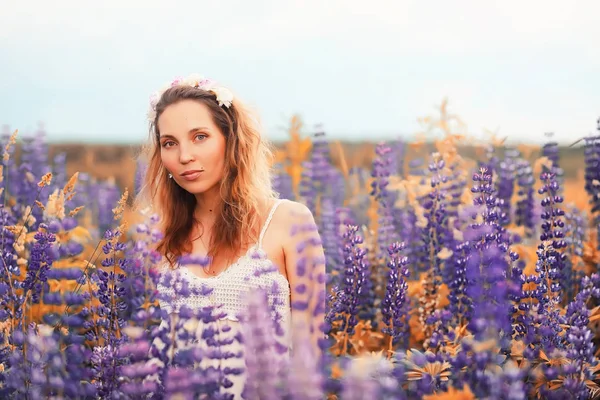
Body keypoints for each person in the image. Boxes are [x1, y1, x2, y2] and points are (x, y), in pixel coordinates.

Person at [134, 73, 326, 398]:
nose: (184, 156)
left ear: (230, 138)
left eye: (199, 137)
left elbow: (311, 350)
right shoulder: (159, 235)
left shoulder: (289, 220)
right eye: (170, 143)